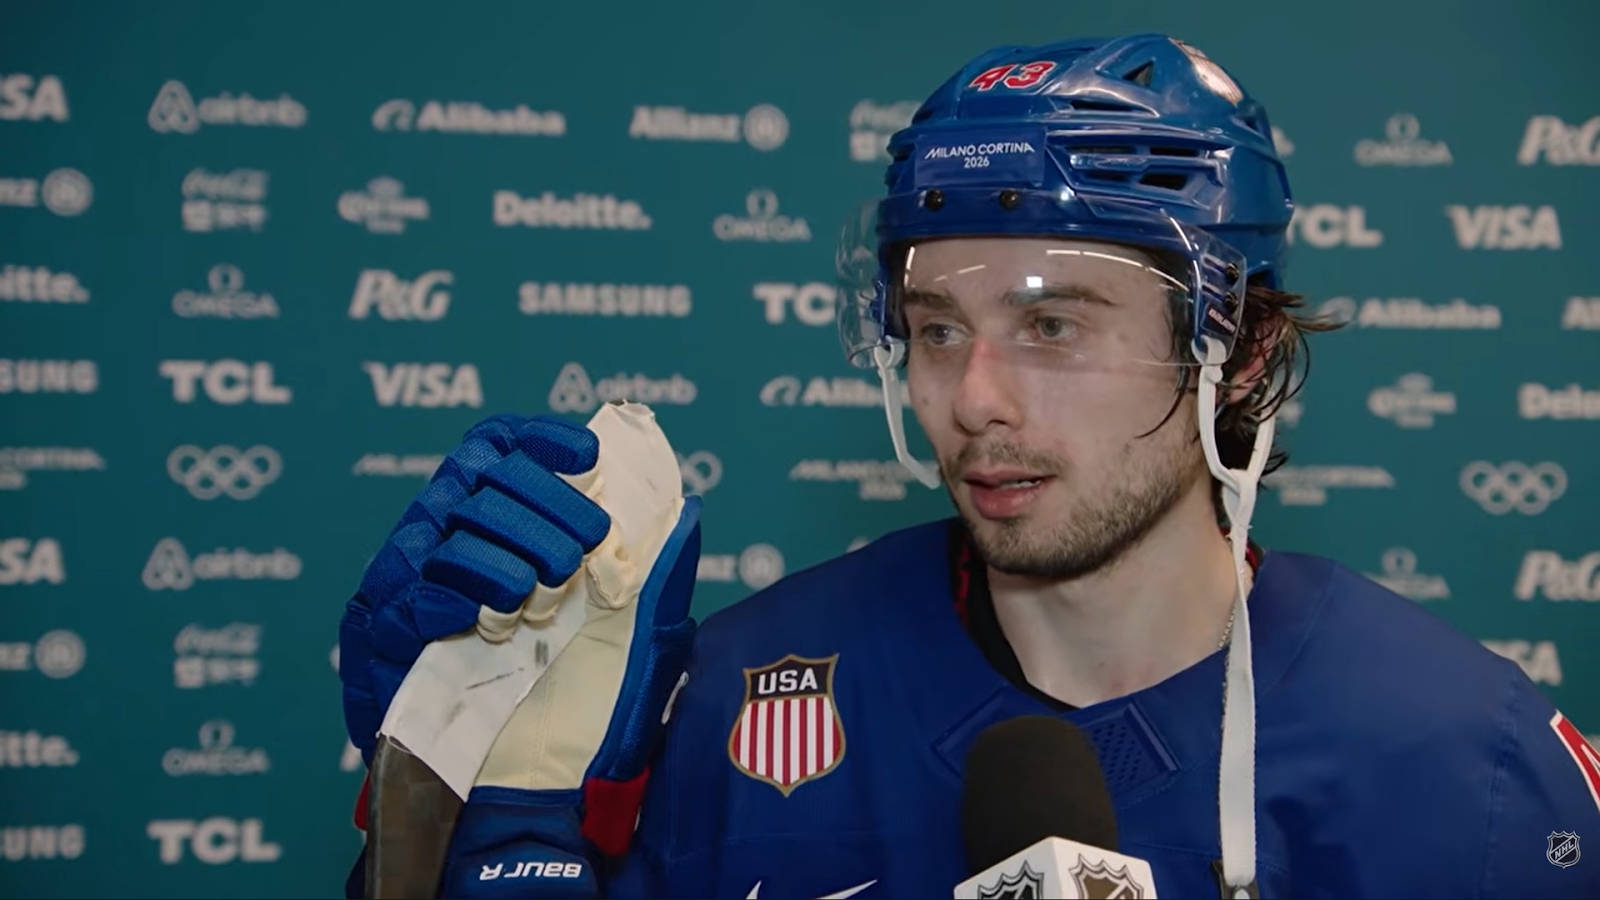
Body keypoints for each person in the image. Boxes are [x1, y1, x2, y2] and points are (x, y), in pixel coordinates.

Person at [338, 33, 1600, 899]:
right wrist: (461, 809)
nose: (974, 399)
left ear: (1240, 347)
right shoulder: (724, 704)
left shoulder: (1466, 764)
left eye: (1051, 327)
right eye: (937, 329)